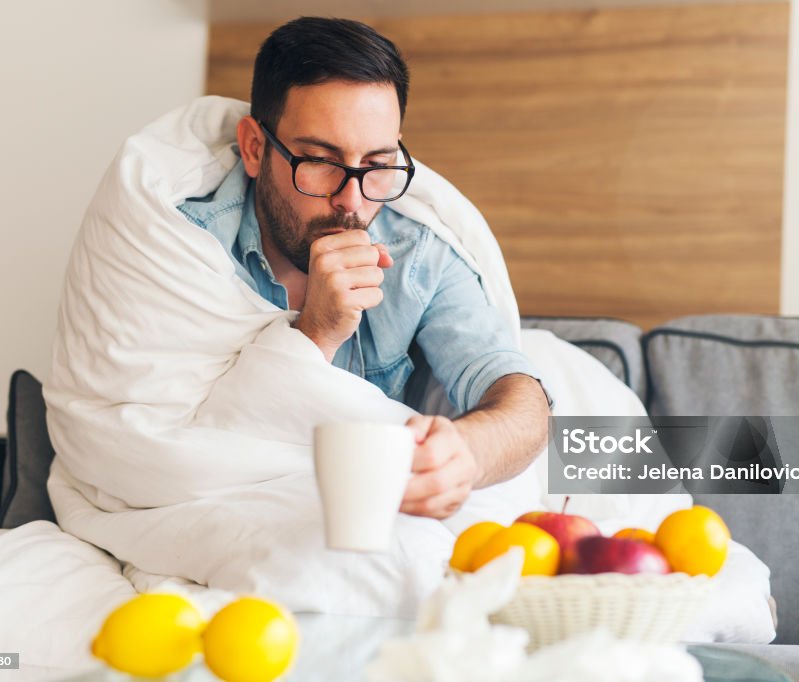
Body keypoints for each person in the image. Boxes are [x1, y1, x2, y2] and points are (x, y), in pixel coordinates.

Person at [175, 17, 550, 521]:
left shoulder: (420, 255)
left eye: (376, 164)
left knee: (588, 420)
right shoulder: (185, 246)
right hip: (225, 510)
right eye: (319, 160)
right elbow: (164, 447)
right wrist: (318, 332)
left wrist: (466, 454)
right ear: (255, 148)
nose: (351, 201)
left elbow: (520, 398)